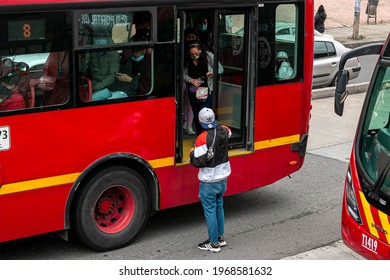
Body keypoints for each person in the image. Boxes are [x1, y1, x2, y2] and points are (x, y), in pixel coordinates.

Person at [190, 107, 231, 253]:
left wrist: (192, 152)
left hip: (209, 181)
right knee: (219, 207)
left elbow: (197, 161)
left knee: (210, 211)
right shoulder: (225, 131)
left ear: (200, 122)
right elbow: (228, 131)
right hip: (223, 179)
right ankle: (220, 238)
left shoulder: (202, 138)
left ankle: (213, 244)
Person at [184, 41, 223, 135]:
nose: (194, 56)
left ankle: (205, 136)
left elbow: (220, 69)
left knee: (204, 113)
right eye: (192, 54)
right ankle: (200, 136)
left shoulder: (209, 56)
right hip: (193, 91)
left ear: (201, 50)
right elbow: (182, 74)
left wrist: (212, 73)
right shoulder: (187, 60)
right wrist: (191, 80)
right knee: (197, 114)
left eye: (196, 53)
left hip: (207, 90)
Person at [79, 33, 120, 97]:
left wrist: (97, 87)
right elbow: (82, 68)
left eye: (102, 38)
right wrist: (87, 53)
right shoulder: (94, 52)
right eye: (97, 38)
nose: (99, 40)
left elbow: (112, 76)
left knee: (90, 100)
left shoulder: (113, 54)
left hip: (107, 88)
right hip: (93, 85)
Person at [183, 27, 198, 135]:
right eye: (189, 38)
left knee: (190, 103)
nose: (191, 39)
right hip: (185, 80)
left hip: (195, 82)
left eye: (193, 37)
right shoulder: (181, 50)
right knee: (184, 102)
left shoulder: (203, 54)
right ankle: (185, 122)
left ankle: (189, 125)